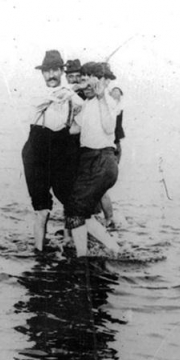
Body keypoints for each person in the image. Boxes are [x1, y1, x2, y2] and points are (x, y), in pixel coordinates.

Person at [21, 50, 85, 251]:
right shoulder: (38, 93)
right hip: (36, 153)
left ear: (61, 71)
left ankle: (68, 243)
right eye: (47, 71)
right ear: (42, 74)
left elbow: (81, 106)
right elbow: (47, 99)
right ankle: (38, 253)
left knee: (70, 200)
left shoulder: (71, 95)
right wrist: (70, 91)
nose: (51, 76)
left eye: (55, 71)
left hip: (61, 148)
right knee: (42, 210)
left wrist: (74, 92)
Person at [64, 62, 125, 257]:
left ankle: (85, 256)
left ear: (99, 83)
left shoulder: (108, 100)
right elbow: (74, 129)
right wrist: (71, 114)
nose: (85, 87)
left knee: (75, 211)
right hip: (89, 161)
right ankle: (114, 250)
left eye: (89, 83)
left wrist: (101, 97)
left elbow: (109, 128)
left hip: (103, 160)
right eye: (83, 83)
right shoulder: (87, 103)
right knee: (79, 212)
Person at [98, 63, 124, 229]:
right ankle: (107, 219)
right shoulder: (107, 97)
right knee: (99, 188)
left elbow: (112, 99)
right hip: (112, 147)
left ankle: (110, 220)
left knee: (100, 188)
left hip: (112, 148)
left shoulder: (113, 98)